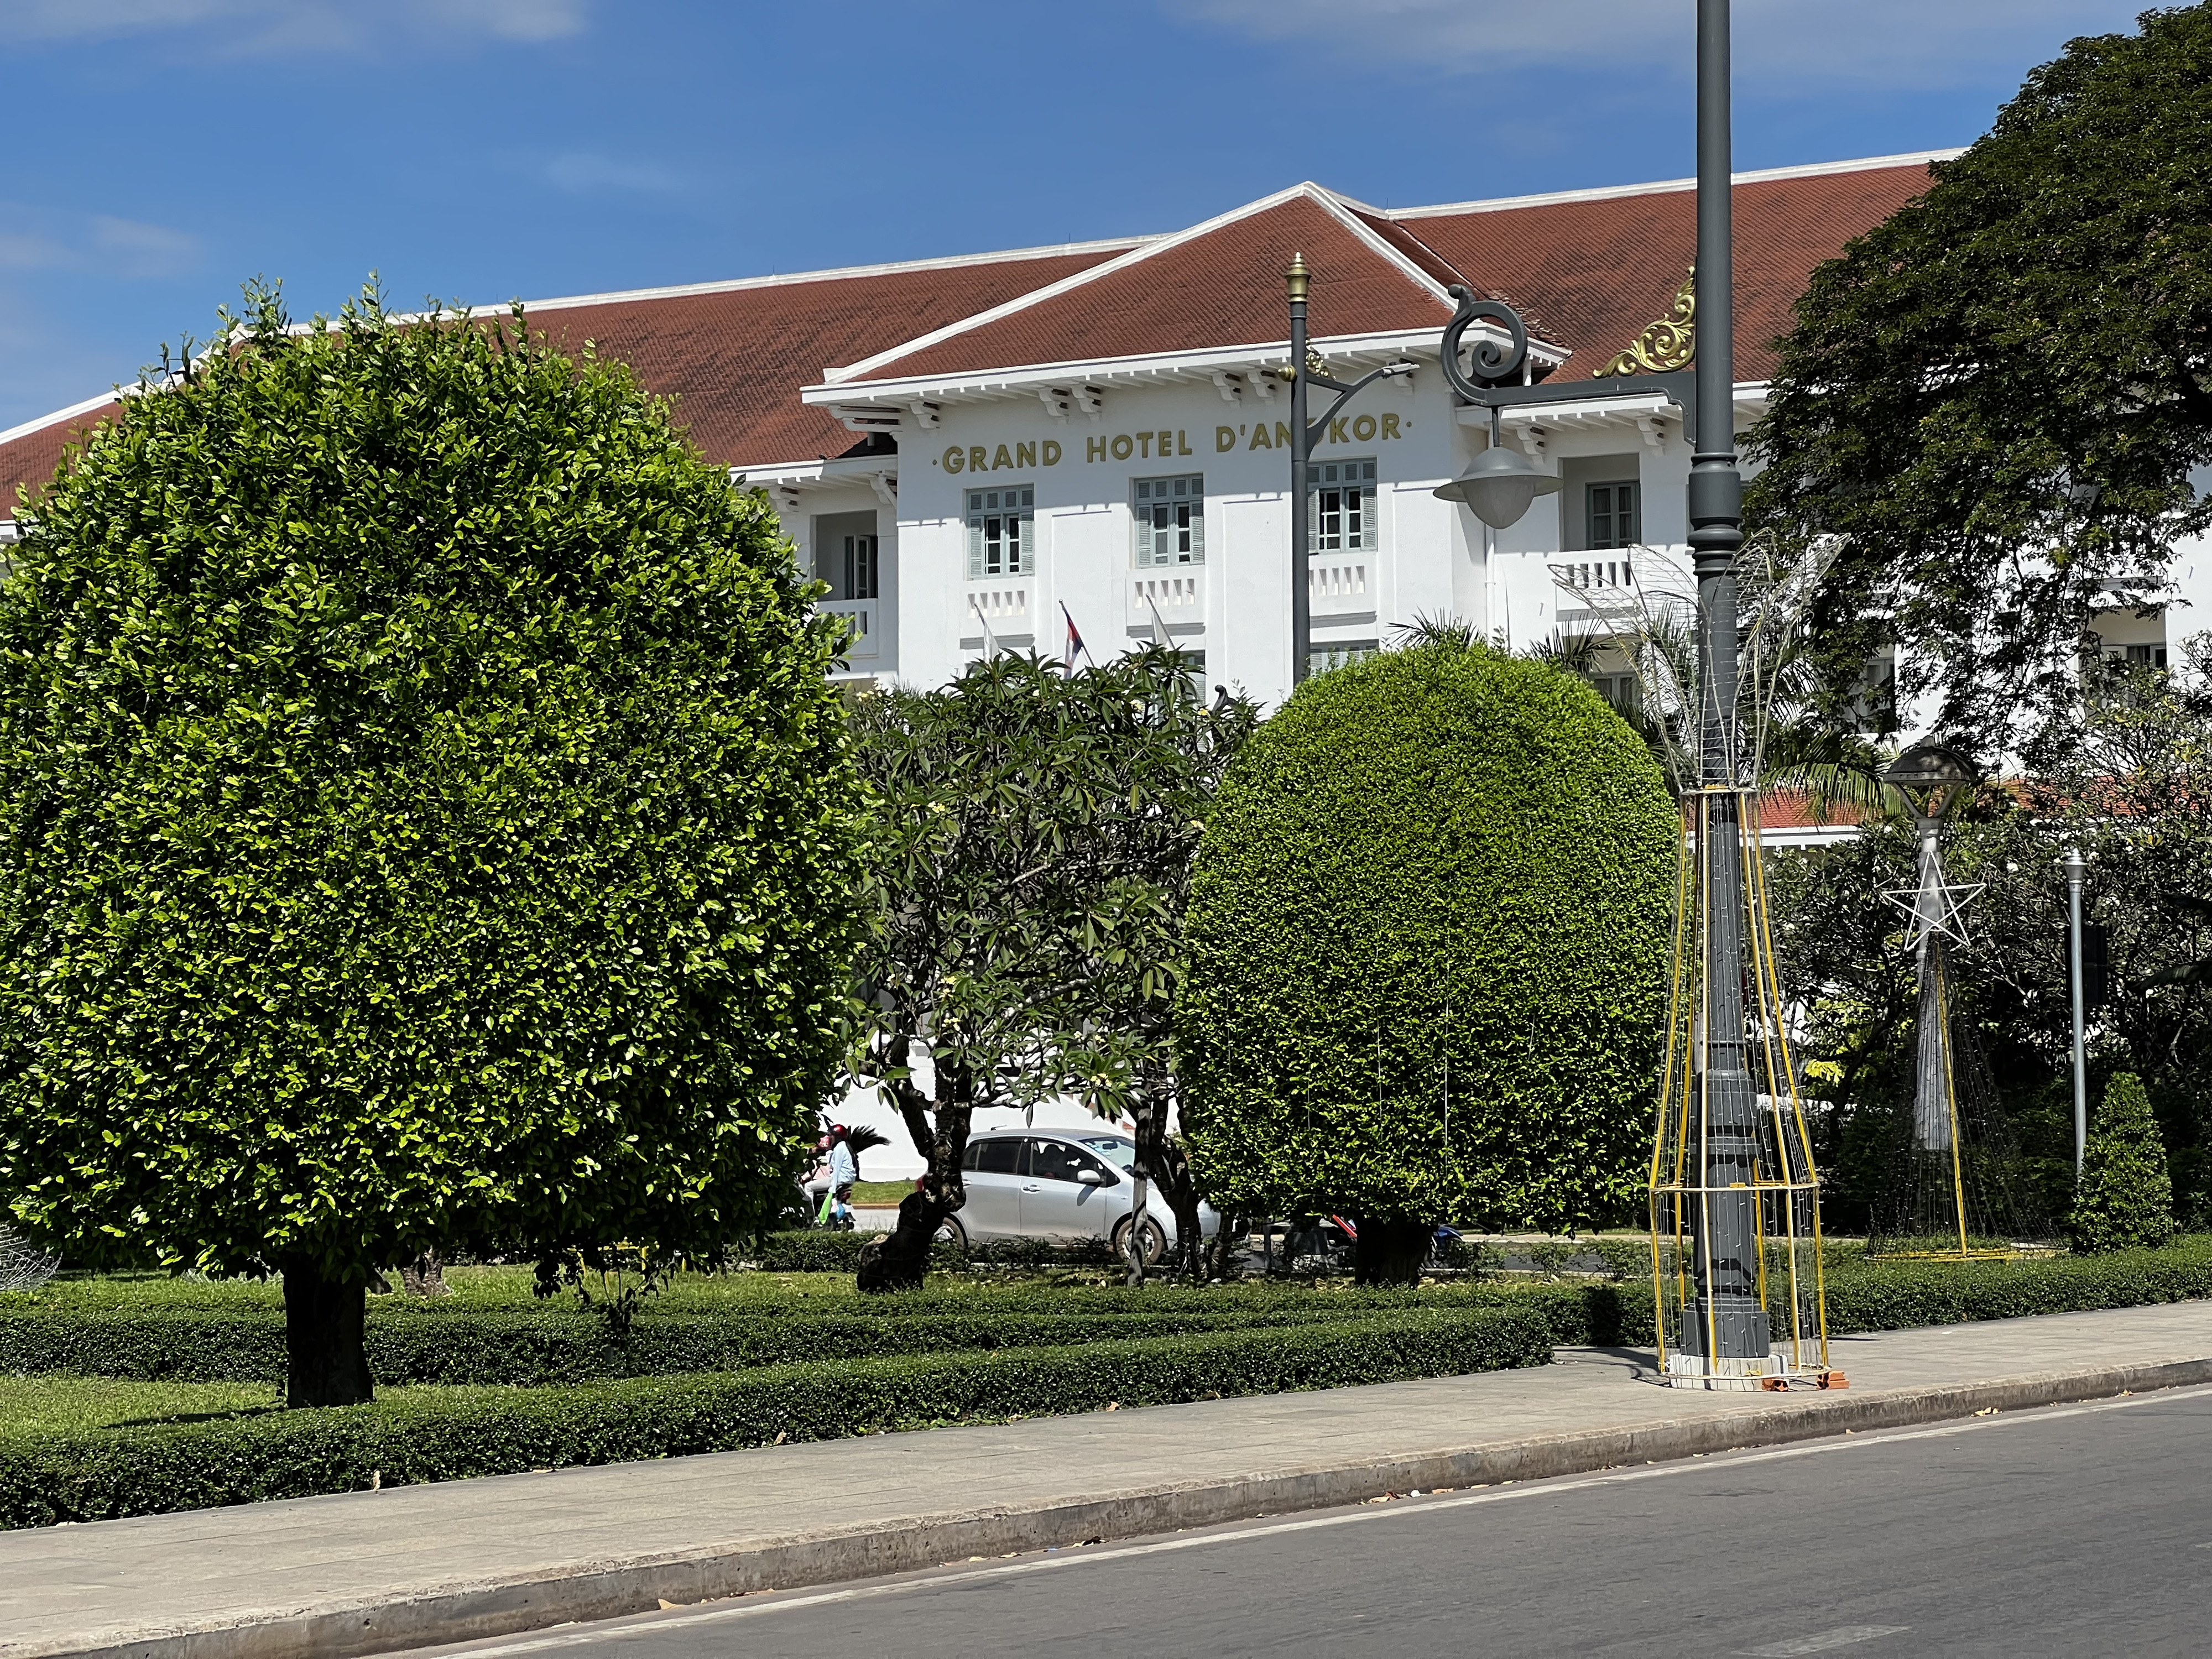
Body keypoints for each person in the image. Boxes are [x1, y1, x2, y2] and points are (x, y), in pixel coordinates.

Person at [822, 1125, 858, 1229]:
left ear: (836, 1137)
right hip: (847, 1179)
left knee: (809, 1187)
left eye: (831, 1136)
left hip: (840, 1179)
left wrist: (833, 1188)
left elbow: (836, 1168)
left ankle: (809, 1217)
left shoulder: (840, 1148)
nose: (829, 1139)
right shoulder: (844, 1146)